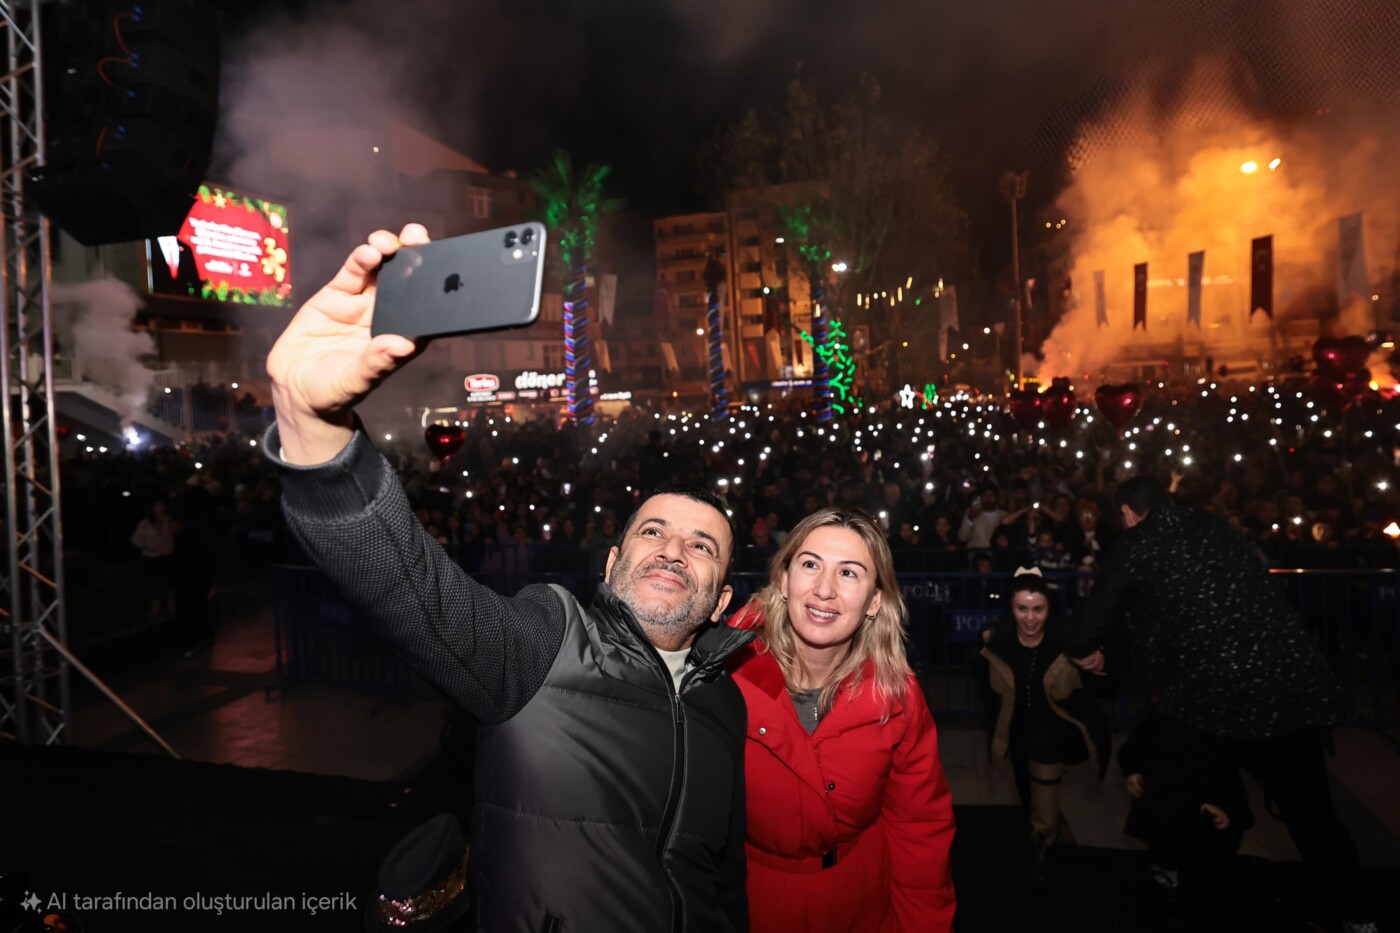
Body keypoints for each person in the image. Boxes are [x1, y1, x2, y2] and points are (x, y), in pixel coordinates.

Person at [265, 225, 753, 931]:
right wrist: (314, 427)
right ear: (611, 564)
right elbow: (409, 587)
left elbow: (722, 876)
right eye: (651, 530)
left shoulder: (726, 706)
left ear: (724, 598)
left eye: (702, 544)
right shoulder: (543, 648)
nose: (673, 548)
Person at [1065, 476, 1376, 931]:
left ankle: (1165, 878)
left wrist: (1082, 649)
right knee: (1311, 811)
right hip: (1287, 683)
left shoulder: (1136, 544)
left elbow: (1092, 620)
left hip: (1208, 691)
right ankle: (1356, 914)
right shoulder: (1215, 527)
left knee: (1167, 786)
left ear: (1129, 514)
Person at [725, 507, 956, 932]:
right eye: (810, 564)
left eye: (849, 573)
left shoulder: (897, 697)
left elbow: (919, 832)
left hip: (860, 905)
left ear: (874, 601)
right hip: (744, 904)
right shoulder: (721, 674)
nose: (824, 590)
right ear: (783, 578)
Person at [978, 568, 1109, 871]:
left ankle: (1045, 844)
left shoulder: (1068, 638)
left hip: (1063, 728)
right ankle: (1053, 833)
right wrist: (998, 733)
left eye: (1038, 609)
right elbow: (988, 695)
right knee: (1029, 797)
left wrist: (1100, 663)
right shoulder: (997, 640)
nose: (1030, 618)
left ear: (1049, 607)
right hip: (1020, 729)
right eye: (1021, 608)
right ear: (1011, 608)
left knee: (1043, 745)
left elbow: (1107, 689)